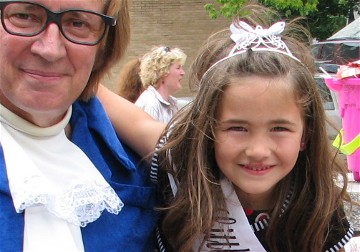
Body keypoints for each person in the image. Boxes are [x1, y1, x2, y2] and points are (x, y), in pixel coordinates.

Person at [98, 6, 355, 252]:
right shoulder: (181, 164)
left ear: (305, 135)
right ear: (207, 129)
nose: (257, 150)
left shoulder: (317, 204)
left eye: (279, 128)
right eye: (237, 128)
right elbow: (130, 118)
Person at [0, 0, 158, 251]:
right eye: (24, 15)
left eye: (78, 23)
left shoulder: (139, 166)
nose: (49, 49)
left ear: (104, 48)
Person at [135, 46, 187, 123]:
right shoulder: (150, 104)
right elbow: (150, 134)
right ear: (162, 73)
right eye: (178, 68)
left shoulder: (173, 104)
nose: (183, 73)